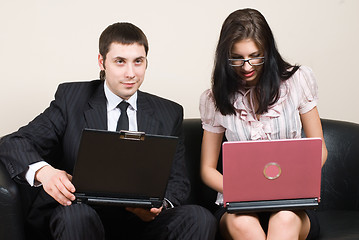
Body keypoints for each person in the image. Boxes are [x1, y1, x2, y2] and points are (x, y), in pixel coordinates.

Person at [0, 22, 217, 240]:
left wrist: (158, 206)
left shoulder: (169, 113)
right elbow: (14, 142)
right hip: (83, 214)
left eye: (138, 62)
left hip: (142, 222)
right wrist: (44, 173)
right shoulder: (71, 99)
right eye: (120, 62)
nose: (130, 73)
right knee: (76, 217)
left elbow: (178, 180)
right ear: (102, 62)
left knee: (199, 217)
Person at [199, 8, 328, 240]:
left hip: (292, 204)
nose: (247, 67)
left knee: (284, 219)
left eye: (255, 56)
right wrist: (246, 190)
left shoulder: (298, 81)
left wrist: (290, 184)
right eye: (237, 58)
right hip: (238, 206)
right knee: (244, 224)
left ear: (268, 51)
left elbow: (319, 149)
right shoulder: (214, 99)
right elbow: (207, 170)